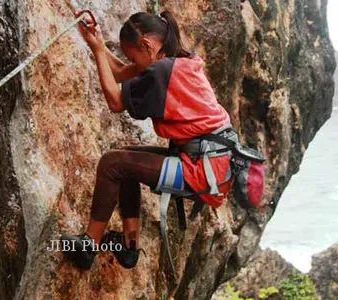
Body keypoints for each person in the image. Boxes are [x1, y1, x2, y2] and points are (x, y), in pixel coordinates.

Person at [60, 11, 235, 270]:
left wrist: (98, 52)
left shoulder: (162, 71)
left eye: (133, 56)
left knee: (112, 164)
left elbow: (116, 101)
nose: (132, 63)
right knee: (126, 161)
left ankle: (88, 246)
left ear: (147, 45)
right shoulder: (178, 61)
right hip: (210, 163)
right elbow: (122, 72)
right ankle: (129, 249)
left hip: (201, 171)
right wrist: (94, 42)